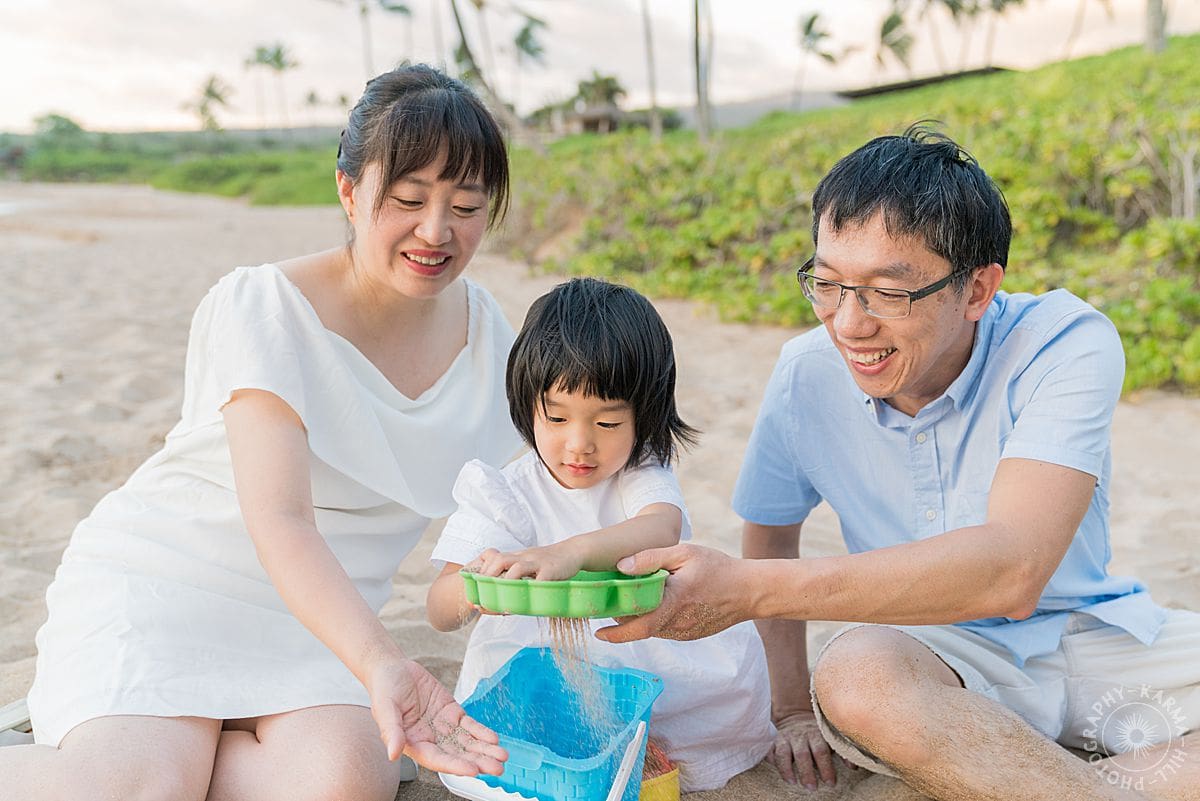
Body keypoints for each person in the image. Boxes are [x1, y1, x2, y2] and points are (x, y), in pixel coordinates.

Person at [597, 125, 1200, 801]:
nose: (849, 324)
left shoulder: (1063, 342)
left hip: (1094, 635)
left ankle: (1046, 782)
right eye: (826, 284)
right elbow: (770, 531)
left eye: (887, 291)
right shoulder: (806, 374)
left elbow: (1013, 568)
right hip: (934, 664)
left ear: (976, 289)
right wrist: (792, 706)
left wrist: (746, 587)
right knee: (856, 676)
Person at [2, 64, 522, 801]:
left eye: (466, 206)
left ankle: (180, 750)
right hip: (173, 580)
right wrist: (380, 663)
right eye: (408, 200)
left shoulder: (488, 337)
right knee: (138, 786)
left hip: (321, 625)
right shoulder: (265, 304)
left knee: (339, 785)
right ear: (349, 190)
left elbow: (537, 488)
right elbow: (279, 519)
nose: (436, 232)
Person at [425, 277, 775, 792]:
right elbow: (438, 609)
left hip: (645, 656)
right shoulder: (504, 490)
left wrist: (569, 554)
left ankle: (648, 750)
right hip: (544, 673)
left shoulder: (640, 472)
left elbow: (660, 526)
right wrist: (481, 588)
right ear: (528, 406)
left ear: (643, 416)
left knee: (685, 727)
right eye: (558, 417)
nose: (579, 445)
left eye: (608, 423)